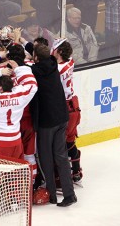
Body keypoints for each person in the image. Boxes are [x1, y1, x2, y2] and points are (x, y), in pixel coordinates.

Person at [30, 43, 77, 207]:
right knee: (61, 156)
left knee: (46, 158)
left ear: (35, 57)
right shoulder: (53, 64)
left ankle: (51, 194)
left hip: (47, 122)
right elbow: (41, 55)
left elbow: (26, 67)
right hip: (62, 117)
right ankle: (69, 194)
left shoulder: (34, 71)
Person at [52, 40, 83, 185]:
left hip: (64, 108)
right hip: (73, 106)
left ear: (58, 51)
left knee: (59, 144)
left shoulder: (57, 69)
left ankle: (60, 176)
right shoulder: (70, 62)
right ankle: (76, 171)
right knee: (70, 140)